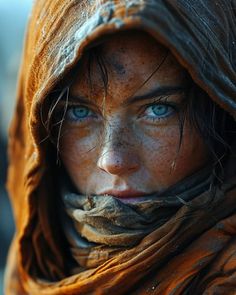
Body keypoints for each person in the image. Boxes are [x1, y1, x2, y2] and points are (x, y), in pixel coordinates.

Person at [4, 0, 236, 294]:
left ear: (223, 111)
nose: (112, 160)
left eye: (159, 109)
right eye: (78, 112)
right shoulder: (37, 262)